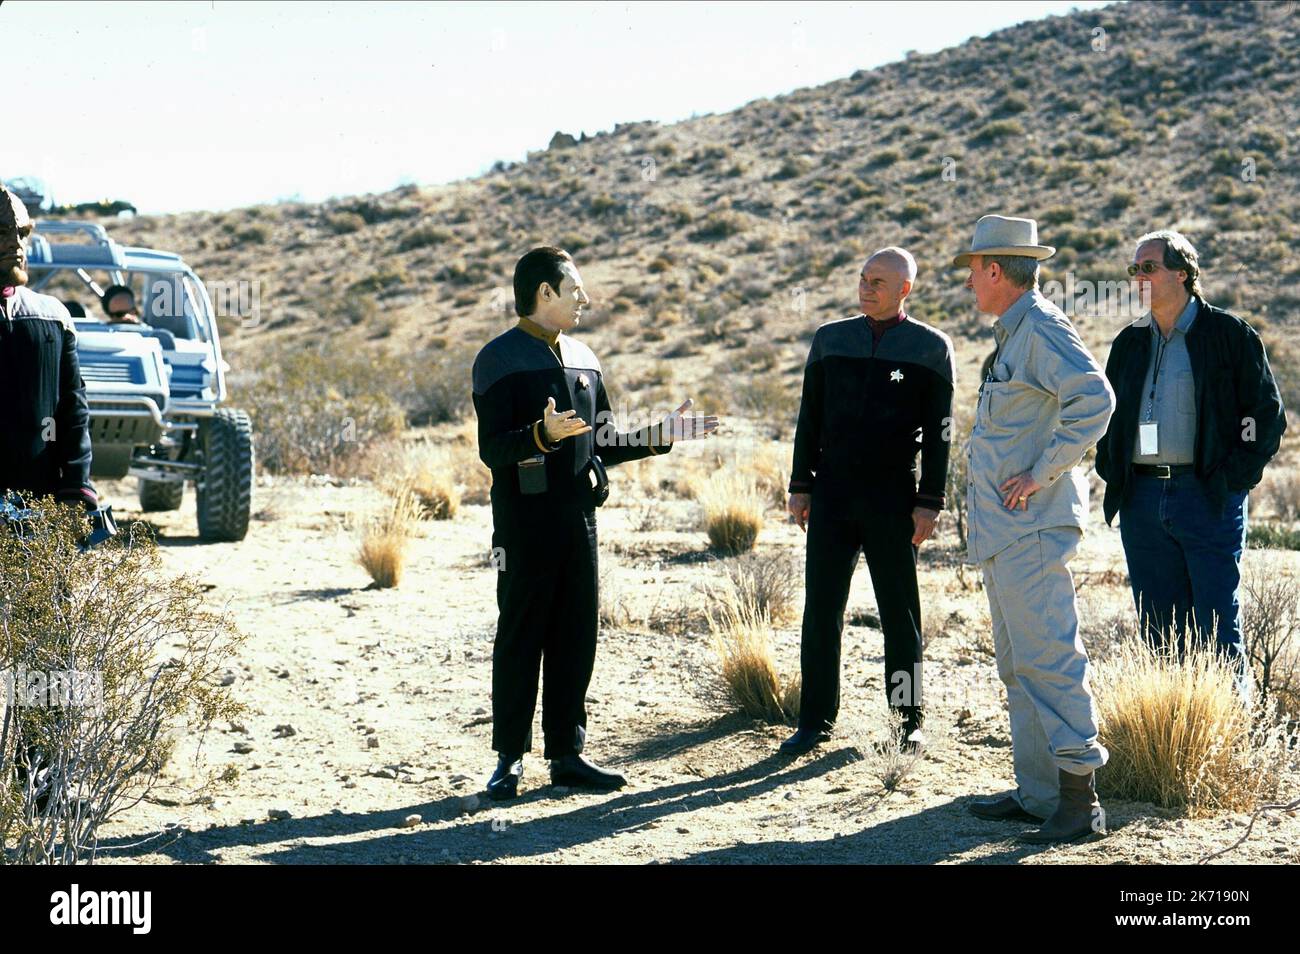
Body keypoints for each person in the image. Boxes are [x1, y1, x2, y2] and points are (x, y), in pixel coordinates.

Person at [472, 246, 718, 800]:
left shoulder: (585, 356)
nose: (584, 297)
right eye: (574, 288)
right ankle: (508, 761)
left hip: (579, 522)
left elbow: (602, 439)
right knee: (520, 636)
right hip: (523, 525)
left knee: (575, 636)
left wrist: (662, 435)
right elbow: (493, 449)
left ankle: (568, 756)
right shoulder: (498, 360)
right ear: (544, 293)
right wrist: (542, 436)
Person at [956, 215, 1115, 844]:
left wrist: (1041, 472)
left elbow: (1095, 399)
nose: (970, 283)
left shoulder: (1043, 329)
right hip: (1006, 529)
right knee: (1019, 665)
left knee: (1049, 660)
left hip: (1033, 526)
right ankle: (1041, 795)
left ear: (996, 270)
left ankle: (1081, 803)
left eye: (973, 271)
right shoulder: (1013, 333)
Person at [1095, 230, 1286, 703]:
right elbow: (1107, 417)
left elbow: (1266, 417)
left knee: (1218, 628)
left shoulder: (1230, 336)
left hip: (1206, 498)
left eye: (1149, 267)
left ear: (1182, 273)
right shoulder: (1129, 343)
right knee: (1160, 632)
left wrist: (1230, 481)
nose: (1139, 277)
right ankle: (1172, 743)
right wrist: (1113, 469)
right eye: (1134, 269)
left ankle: (1231, 744)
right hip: (1141, 500)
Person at [781, 247, 954, 756]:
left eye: (877, 281)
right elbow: (807, 417)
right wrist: (800, 485)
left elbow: (941, 434)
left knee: (900, 616)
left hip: (894, 497)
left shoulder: (930, 347)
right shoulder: (830, 340)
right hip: (832, 492)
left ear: (906, 288)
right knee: (821, 611)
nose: (865, 287)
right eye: (862, 278)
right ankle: (814, 720)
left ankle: (907, 724)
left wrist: (931, 501)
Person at [0, 182, 97, 511]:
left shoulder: (53, 316)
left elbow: (71, 410)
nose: (16, 244)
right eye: (3, 232)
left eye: (23, 233)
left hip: (37, 503)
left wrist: (76, 483)